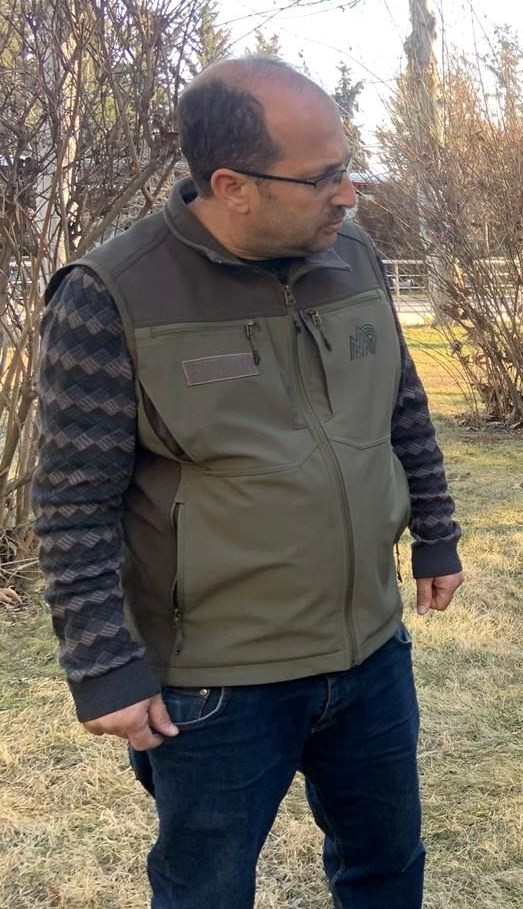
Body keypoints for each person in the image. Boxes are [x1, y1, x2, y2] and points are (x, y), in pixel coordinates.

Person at [31, 57, 464, 909]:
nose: (349, 195)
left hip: (371, 651)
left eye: (348, 166)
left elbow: (402, 405)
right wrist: (105, 667)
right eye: (323, 178)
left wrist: (436, 531)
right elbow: (72, 500)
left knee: (387, 868)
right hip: (215, 683)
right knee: (207, 890)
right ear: (231, 184)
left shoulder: (354, 256)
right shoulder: (111, 296)